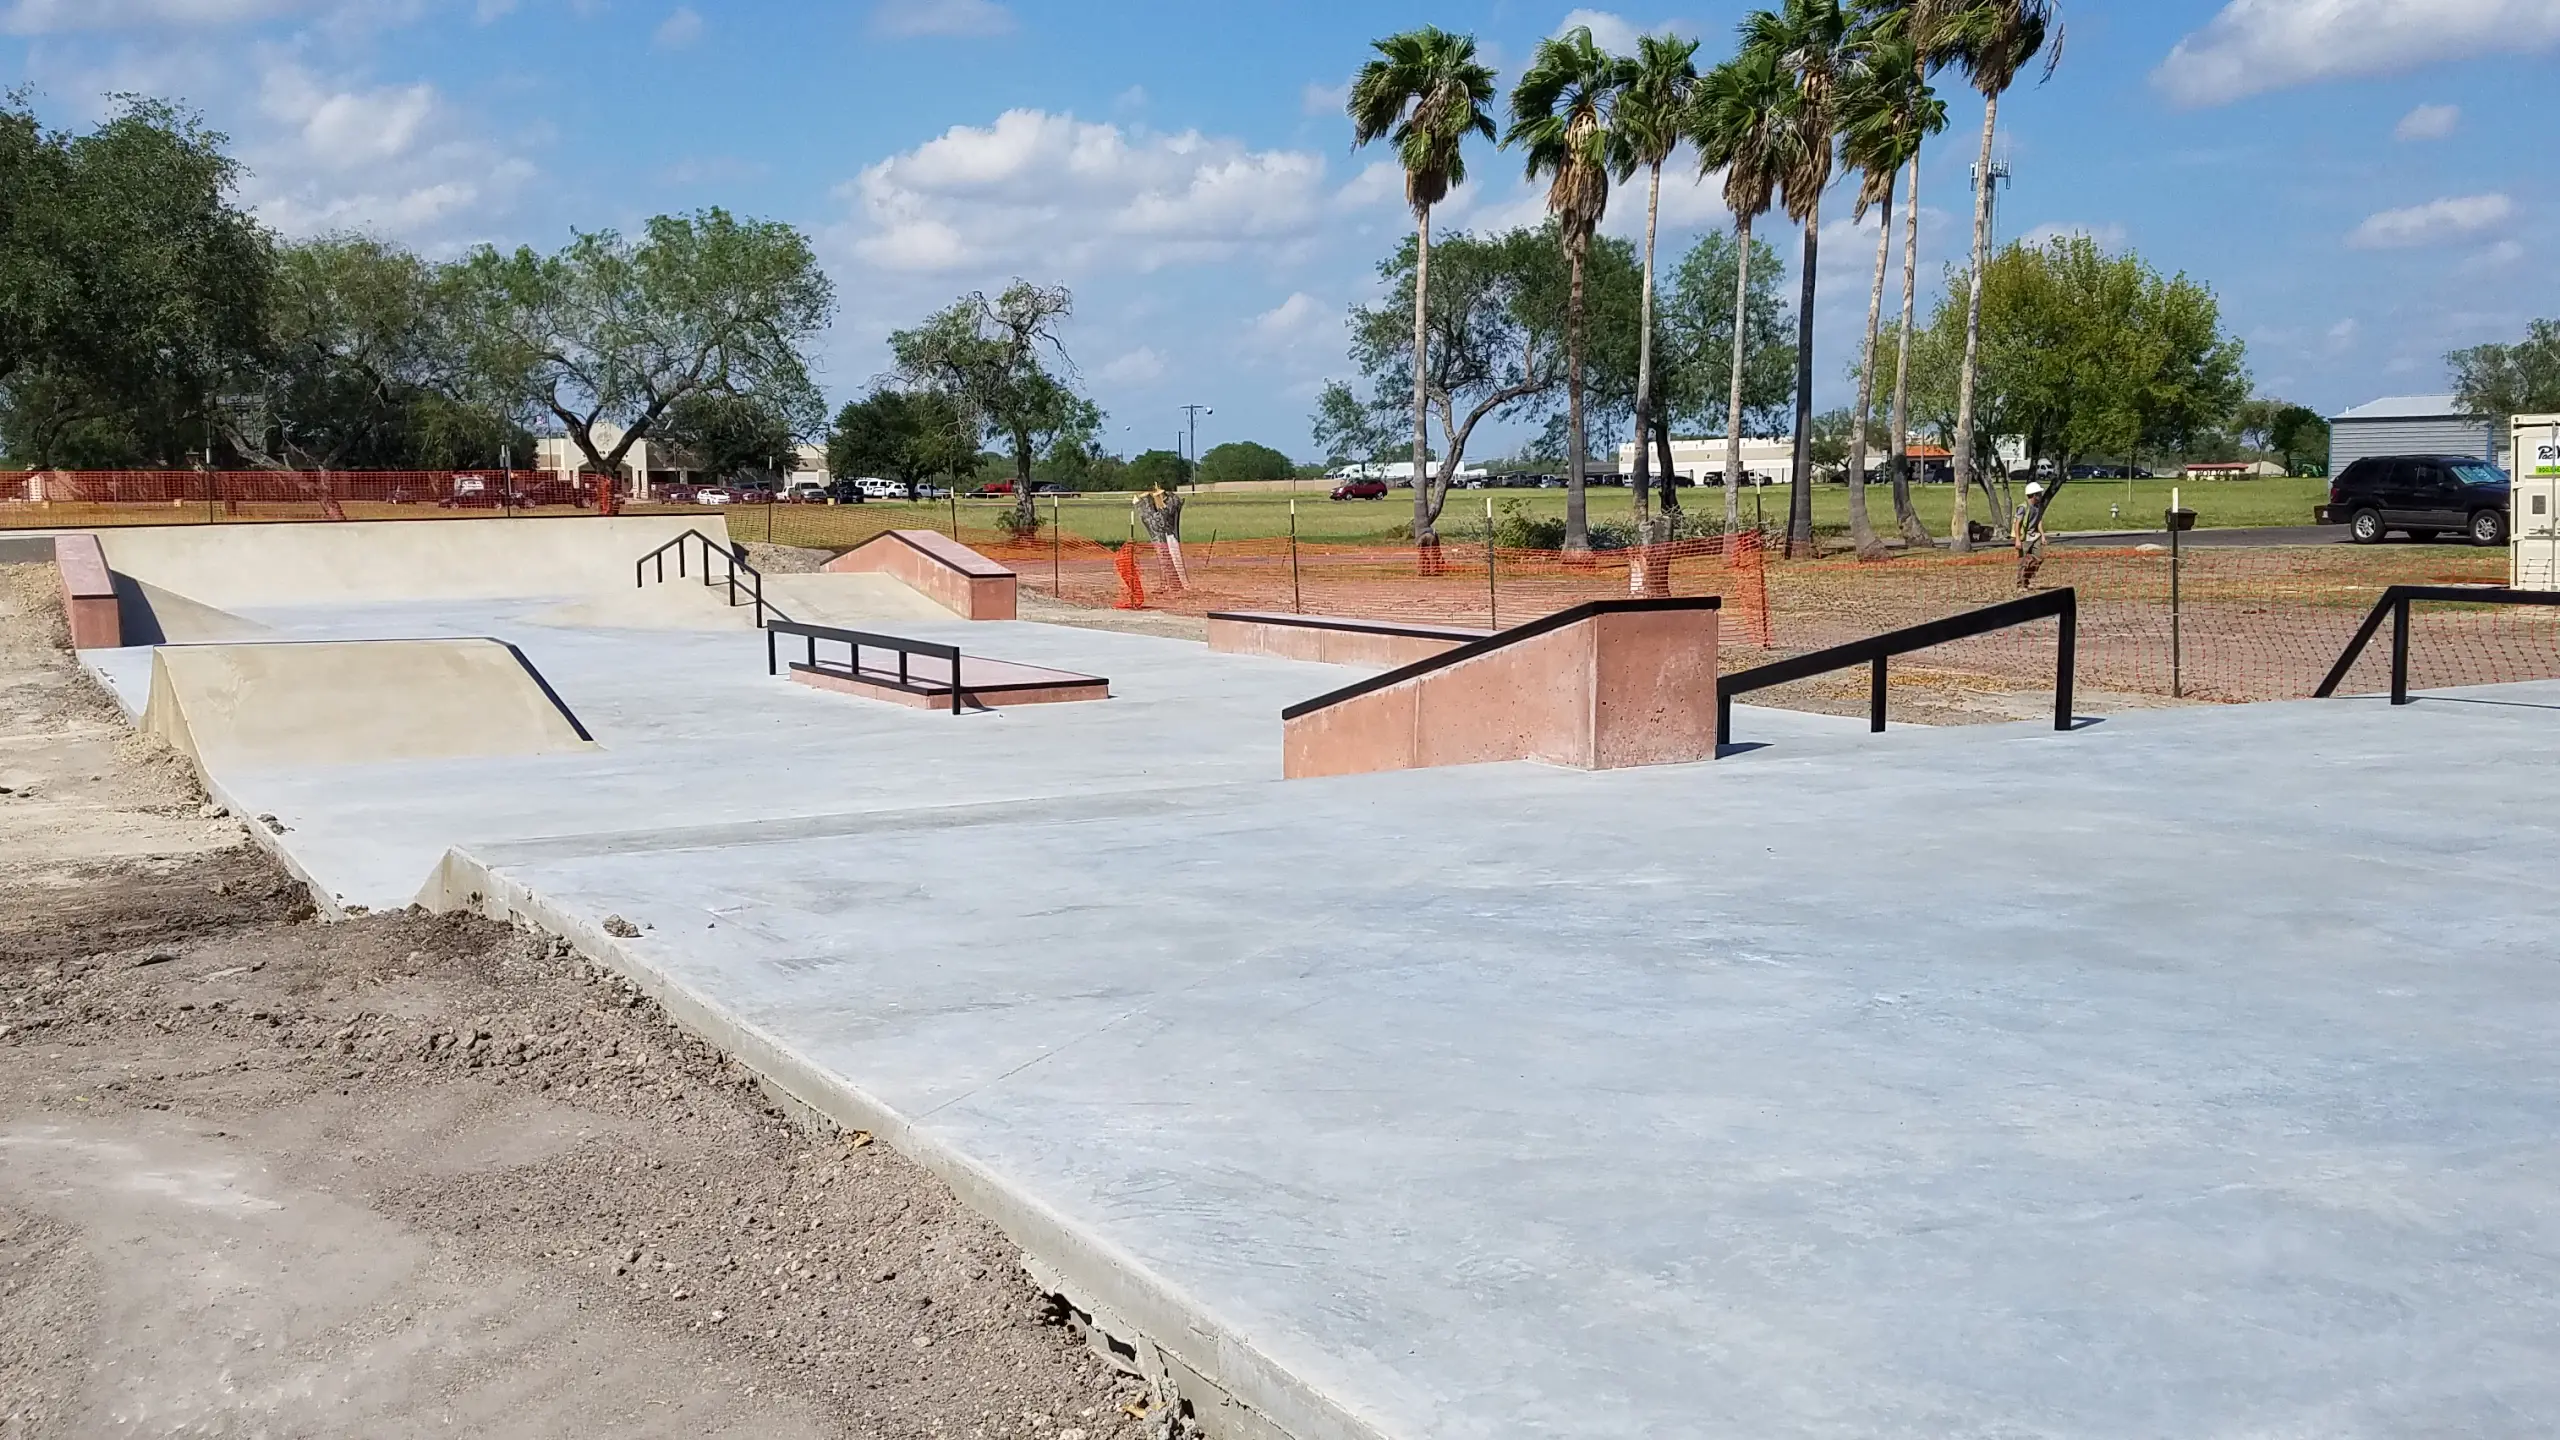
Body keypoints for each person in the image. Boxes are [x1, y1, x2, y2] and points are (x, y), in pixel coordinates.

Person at [1133, 478, 1188, 591]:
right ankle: (1168, 583)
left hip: (1170, 536)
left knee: (1173, 557)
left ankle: (1175, 584)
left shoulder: (1172, 502)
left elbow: (1164, 521)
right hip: (1160, 535)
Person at [2013, 480, 2052, 588]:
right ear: (2033, 495)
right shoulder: (2023, 507)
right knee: (2023, 562)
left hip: (2035, 536)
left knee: (2038, 559)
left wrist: (2043, 535)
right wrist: (2017, 539)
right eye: (2038, 494)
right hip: (2024, 538)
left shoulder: (2038, 506)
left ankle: (2027, 579)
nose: (2040, 495)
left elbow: (2038, 521)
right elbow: (2017, 524)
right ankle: (2021, 584)